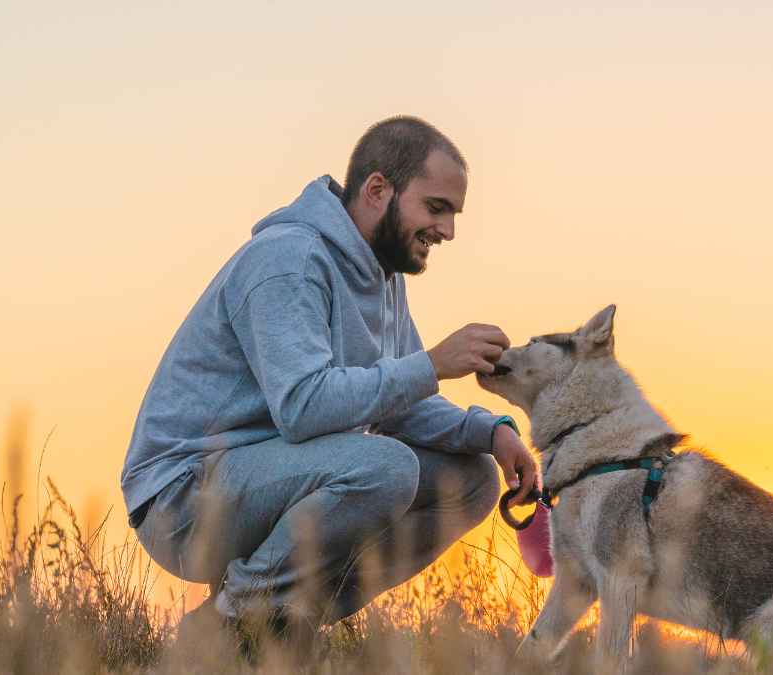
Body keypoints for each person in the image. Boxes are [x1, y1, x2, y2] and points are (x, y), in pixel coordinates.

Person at [120, 116, 539, 650]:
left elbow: (396, 403)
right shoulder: (289, 260)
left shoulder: (383, 276)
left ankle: (284, 627)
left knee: (472, 479)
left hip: (274, 475)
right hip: (182, 498)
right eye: (436, 208)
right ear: (377, 190)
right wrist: (431, 364)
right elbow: (302, 406)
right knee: (385, 467)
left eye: (453, 214)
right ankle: (230, 625)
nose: (448, 231)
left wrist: (491, 431)